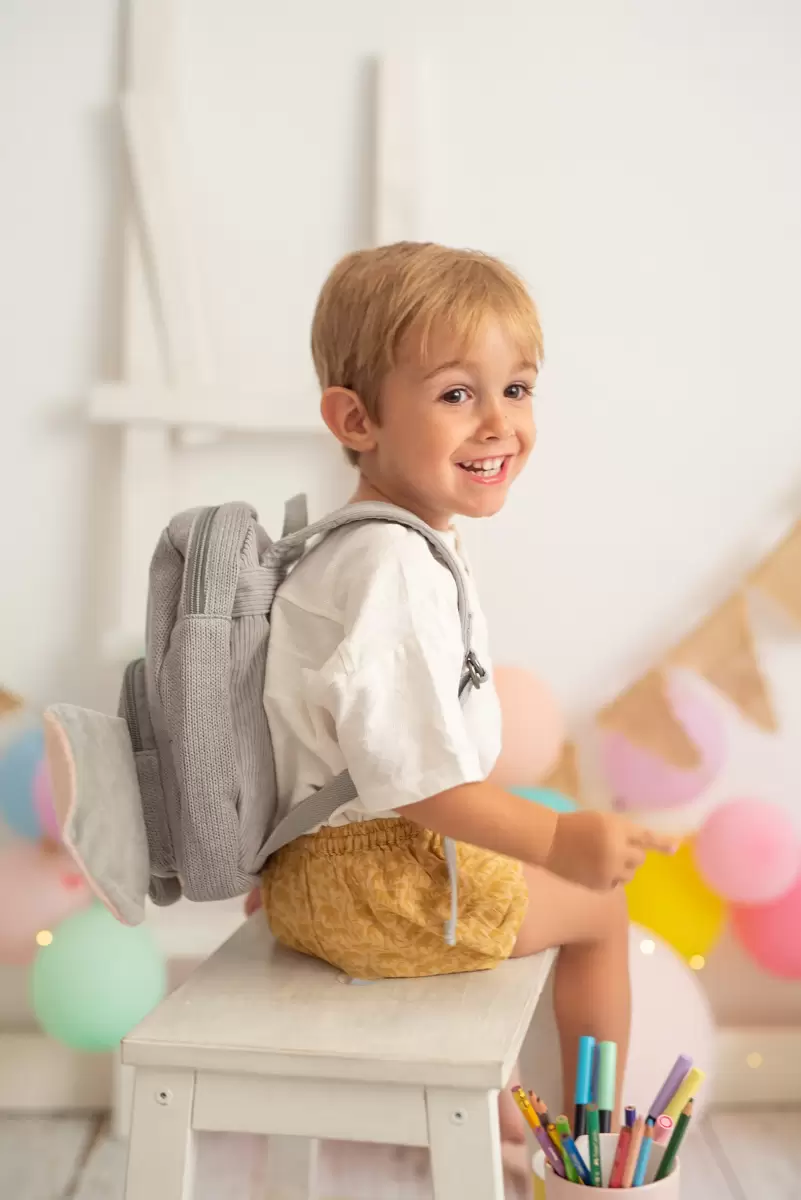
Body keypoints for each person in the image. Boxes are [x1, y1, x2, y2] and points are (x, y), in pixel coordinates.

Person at [246, 242, 675, 1174]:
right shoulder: (392, 567)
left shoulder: (349, 545)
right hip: (374, 884)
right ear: (356, 419)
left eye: (516, 389)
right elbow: (419, 785)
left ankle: (509, 1126)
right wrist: (559, 841)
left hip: (317, 874)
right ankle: (592, 1159)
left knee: (530, 877)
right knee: (600, 909)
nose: (498, 424)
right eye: (455, 394)